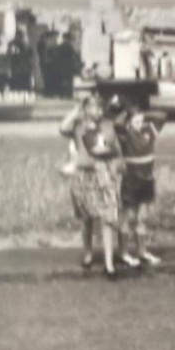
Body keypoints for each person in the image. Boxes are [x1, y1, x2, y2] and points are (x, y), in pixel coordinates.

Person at [59, 93, 124, 278]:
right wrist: (76, 110)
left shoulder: (108, 126)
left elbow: (117, 150)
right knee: (86, 218)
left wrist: (115, 167)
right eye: (94, 107)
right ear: (86, 110)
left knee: (108, 218)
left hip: (103, 175)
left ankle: (109, 264)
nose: (99, 111)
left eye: (100, 108)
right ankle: (88, 253)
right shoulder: (78, 127)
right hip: (83, 175)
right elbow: (62, 128)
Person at [112, 100, 169, 268]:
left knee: (142, 218)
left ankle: (142, 252)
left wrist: (143, 113)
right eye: (136, 121)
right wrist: (126, 111)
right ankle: (124, 253)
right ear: (129, 123)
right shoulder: (125, 134)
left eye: (141, 121)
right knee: (129, 218)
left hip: (147, 179)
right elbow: (117, 123)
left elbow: (163, 116)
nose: (140, 124)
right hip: (131, 181)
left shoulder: (148, 130)